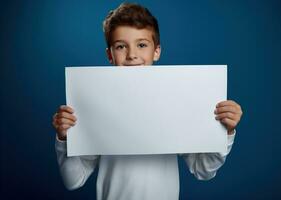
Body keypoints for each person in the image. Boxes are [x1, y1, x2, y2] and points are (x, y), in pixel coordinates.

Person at [52, 3, 243, 200]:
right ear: (110, 54)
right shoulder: (94, 104)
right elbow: (73, 180)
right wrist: (64, 139)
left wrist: (224, 132)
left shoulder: (176, 100)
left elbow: (203, 170)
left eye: (141, 45)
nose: (132, 55)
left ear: (157, 51)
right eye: (120, 46)